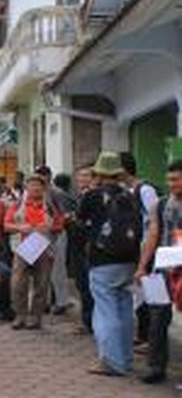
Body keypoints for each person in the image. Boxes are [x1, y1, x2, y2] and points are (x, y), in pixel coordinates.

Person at [77, 152, 142, 376]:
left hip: (102, 260)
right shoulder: (130, 195)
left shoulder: (92, 195)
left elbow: (80, 222)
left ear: (99, 173)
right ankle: (126, 358)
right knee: (124, 308)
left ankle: (111, 361)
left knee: (105, 311)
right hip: (129, 259)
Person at [133, 160, 182, 384]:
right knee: (158, 317)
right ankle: (155, 366)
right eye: (169, 179)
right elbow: (152, 235)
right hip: (163, 269)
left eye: (176, 179)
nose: (171, 184)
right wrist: (143, 266)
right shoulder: (161, 205)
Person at [5, 175, 64, 330]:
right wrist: (20, 227)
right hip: (22, 247)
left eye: (38, 185)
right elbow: (6, 225)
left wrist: (48, 227)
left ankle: (35, 317)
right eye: (31, 185)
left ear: (43, 188)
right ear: (26, 188)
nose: (35, 188)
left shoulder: (50, 206)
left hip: (44, 247)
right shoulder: (17, 204)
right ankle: (20, 315)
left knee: (42, 283)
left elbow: (59, 225)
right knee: (18, 282)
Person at [120, 153, 159, 351]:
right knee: (139, 293)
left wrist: (146, 248)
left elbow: (154, 221)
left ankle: (150, 338)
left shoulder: (145, 189)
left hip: (148, 249)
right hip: (134, 249)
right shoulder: (125, 191)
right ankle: (143, 335)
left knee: (149, 294)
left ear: (124, 169)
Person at [36, 165, 71, 315]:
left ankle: (62, 302)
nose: (39, 179)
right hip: (43, 233)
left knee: (58, 269)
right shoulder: (38, 193)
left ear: (49, 176)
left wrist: (56, 222)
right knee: (44, 268)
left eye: (42, 176)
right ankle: (49, 300)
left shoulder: (57, 193)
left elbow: (66, 213)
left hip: (58, 233)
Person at [72, 164, 95, 333]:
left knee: (88, 286)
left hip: (89, 247)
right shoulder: (80, 196)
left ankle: (90, 322)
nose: (82, 179)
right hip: (77, 247)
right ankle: (87, 321)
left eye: (87, 175)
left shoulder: (94, 197)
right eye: (80, 176)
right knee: (82, 285)